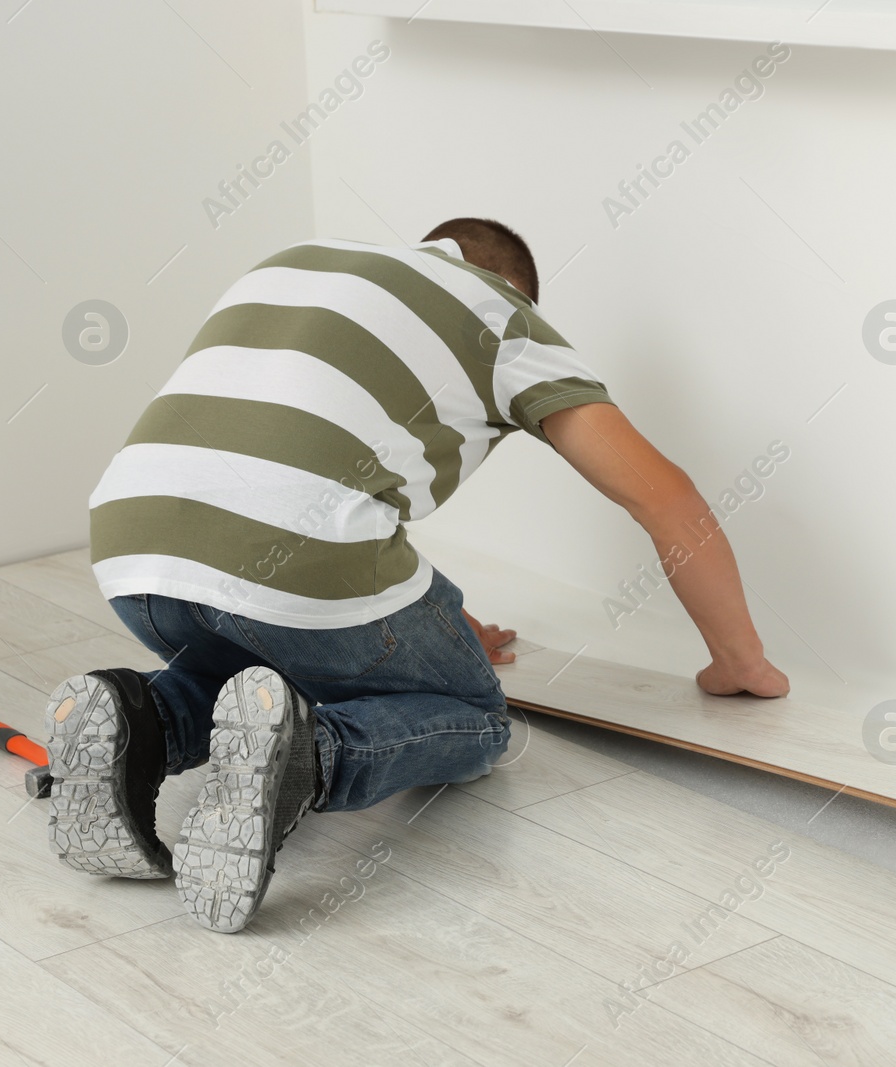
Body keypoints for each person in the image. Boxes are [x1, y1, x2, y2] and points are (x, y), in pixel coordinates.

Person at [42, 218, 789, 933]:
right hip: (299, 567)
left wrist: (445, 626)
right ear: (514, 285)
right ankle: (313, 759)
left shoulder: (296, 262)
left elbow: (280, 470)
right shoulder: (503, 315)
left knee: (264, 649)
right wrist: (740, 662)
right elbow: (665, 499)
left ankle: (140, 717)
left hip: (131, 552)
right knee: (479, 716)